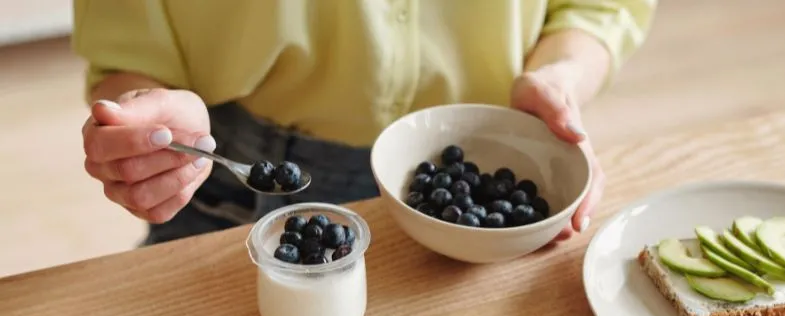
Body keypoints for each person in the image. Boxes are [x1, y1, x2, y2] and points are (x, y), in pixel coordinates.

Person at [74, 1, 656, 246]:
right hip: (229, 184)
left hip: (485, 173)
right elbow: (128, 47)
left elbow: (598, 7)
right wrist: (144, 116)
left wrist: (562, 78)